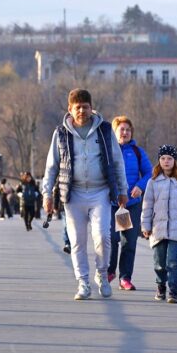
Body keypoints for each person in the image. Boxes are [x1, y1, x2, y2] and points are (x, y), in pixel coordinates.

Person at [42, 89, 128, 300]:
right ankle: (83, 282)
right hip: (74, 194)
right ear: (70, 109)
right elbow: (52, 166)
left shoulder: (105, 130)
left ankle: (102, 275)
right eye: (77, 107)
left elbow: (117, 162)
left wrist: (123, 190)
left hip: (101, 192)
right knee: (77, 241)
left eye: (85, 106)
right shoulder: (61, 133)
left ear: (92, 107)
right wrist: (47, 194)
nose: (82, 110)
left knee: (104, 237)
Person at [141, 145, 177, 304]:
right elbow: (147, 205)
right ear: (159, 161)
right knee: (159, 262)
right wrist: (146, 226)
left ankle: (173, 291)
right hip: (158, 228)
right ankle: (160, 286)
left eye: (170, 158)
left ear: (175, 161)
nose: (166, 161)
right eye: (163, 158)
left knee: (173, 261)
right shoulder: (152, 182)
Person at [107, 116, 153, 291]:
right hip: (112, 204)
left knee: (129, 242)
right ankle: (110, 271)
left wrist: (140, 187)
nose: (125, 132)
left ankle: (125, 278)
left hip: (130, 205)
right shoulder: (108, 151)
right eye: (121, 129)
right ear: (115, 132)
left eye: (128, 129)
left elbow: (149, 173)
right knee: (111, 238)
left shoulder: (137, 152)